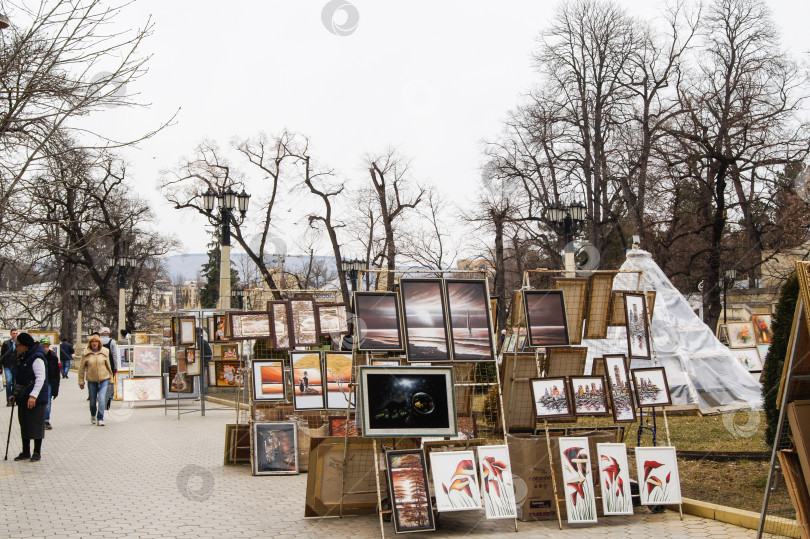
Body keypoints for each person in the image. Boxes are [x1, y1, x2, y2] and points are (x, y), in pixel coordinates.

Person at [8, 332, 49, 461]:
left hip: (35, 397)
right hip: (23, 396)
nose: (16, 348)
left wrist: (33, 396)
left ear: (25, 345)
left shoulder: (36, 357)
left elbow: (40, 378)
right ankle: (25, 451)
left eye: (17, 346)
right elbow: (21, 378)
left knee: (36, 424)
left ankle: (37, 452)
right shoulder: (24, 356)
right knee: (24, 424)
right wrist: (14, 394)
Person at [77, 334, 113, 426]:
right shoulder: (86, 353)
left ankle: (100, 418)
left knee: (101, 399)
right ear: (90, 343)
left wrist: (111, 379)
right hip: (92, 380)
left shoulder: (105, 352)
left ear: (99, 343)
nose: (94, 343)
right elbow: (81, 369)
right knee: (92, 401)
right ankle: (93, 414)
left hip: (104, 378)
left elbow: (109, 366)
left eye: (96, 341)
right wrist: (81, 382)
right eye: (92, 342)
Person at [40, 338, 61, 430]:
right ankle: (39, 419)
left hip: (48, 382)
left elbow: (56, 373)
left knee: (47, 402)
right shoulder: (37, 356)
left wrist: (56, 386)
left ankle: (46, 420)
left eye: (47, 346)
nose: (45, 348)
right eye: (43, 346)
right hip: (39, 381)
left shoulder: (53, 357)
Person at [99, 327, 118, 410]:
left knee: (101, 382)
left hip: (100, 364)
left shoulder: (97, 341)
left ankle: (101, 399)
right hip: (110, 364)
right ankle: (108, 400)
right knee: (110, 383)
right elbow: (115, 355)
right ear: (109, 334)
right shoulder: (112, 342)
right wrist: (116, 366)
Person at [2, 328, 19, 405]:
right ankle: (9, 400)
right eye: (13, 333)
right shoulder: (6, 343)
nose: (15, 335)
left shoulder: (19, 343)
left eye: (16, 333)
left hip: (16, 365)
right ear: (10, 334)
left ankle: (14, 399)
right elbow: (2, 355)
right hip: (7, 366)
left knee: (16, 383)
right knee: (8, 381)